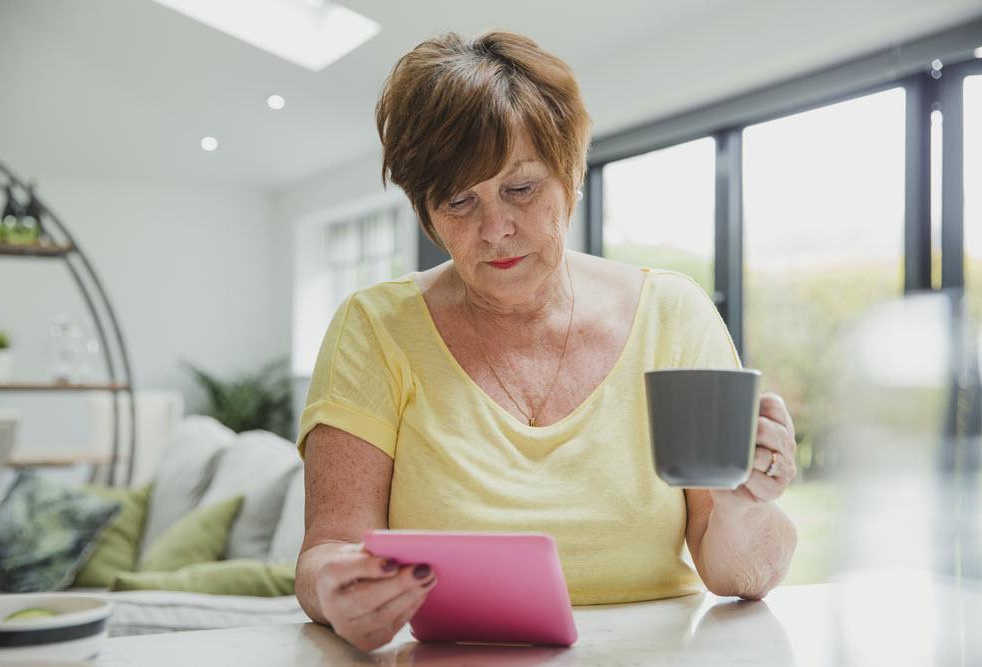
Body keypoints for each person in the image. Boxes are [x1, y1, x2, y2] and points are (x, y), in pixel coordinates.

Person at [294, 30, 798, 653]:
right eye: (459, 201)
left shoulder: (672, 315)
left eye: (521, 188)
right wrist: (338, 591)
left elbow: (739, 577)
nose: (495, 228)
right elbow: (326, 551)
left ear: (570, 175)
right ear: (427, 215)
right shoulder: (374, 328)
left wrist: (747, 505)